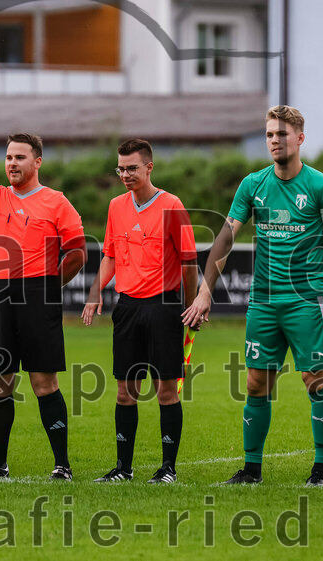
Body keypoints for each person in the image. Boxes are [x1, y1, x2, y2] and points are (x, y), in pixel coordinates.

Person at [182, 106, 323, 486]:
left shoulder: (322, 186)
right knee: (257, 383)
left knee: (316, 379)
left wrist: (322, 287)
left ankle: (320, 471)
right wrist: (206, 289)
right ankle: (251, 470)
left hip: (307, 301)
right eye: (270, 135)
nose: (275, 141)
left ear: (300, 139)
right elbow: (226, 236)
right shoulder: (253, 184)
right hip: (262, 301)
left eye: (282, 134)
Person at [0, 108, 86, 480]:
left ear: (36, 162)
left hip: (38, 294)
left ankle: (62, 465)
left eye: (19, 157)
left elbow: (76, 254)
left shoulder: (57, 202)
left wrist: (49, 287)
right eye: (8, 157)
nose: (12, 163)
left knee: (44, 382)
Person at [83, 139, 198, 484]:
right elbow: (111, 255)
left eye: (132, 167)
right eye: (120, 168)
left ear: (149, 167)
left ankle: (167, 469)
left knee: (166, 390)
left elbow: (190, 263)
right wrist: (94, 291)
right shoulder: (116, 206)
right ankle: (123, 468)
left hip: (164, 306)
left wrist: (189, 305)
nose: (125, 174)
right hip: (127, 308)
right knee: (125, 391)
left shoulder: (172, 205)